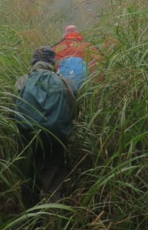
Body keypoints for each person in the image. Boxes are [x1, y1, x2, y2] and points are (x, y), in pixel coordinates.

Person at [14, 46, 77, 204]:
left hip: (29, 137)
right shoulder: (64, 81)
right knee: (54, 176)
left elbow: (13, 109)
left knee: (29, 176)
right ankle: (53, 217)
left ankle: (30, 218)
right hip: (55, 137)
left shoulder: (22, 81)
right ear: (53, 63)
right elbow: (73, 109)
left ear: (33, 63)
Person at [52, 25, 103, 90]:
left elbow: (53, 69)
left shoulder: (55, 48)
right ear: (77, 33)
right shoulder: (88, 46)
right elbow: (99, 66)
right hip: (88, 87)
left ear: (64, 35)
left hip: (64, 89)